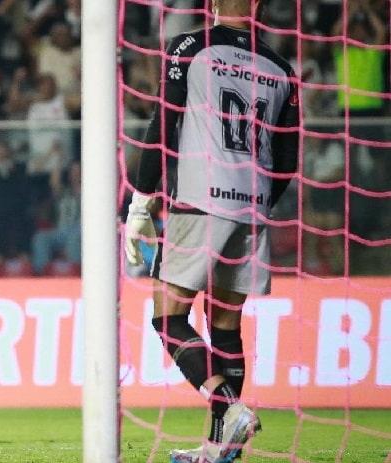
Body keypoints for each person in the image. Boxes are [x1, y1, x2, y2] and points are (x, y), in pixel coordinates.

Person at [124, 1, 299, 462]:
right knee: (225, 327)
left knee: (167, 318)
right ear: (258, 4)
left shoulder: (192, 46)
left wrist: (141, 201)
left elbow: (162, 124)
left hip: (200, 199)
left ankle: (228, 406)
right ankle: (219, 449)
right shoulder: (282, 68)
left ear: (213, 3)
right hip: (254, 207)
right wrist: (256, 201)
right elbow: (287, 164)